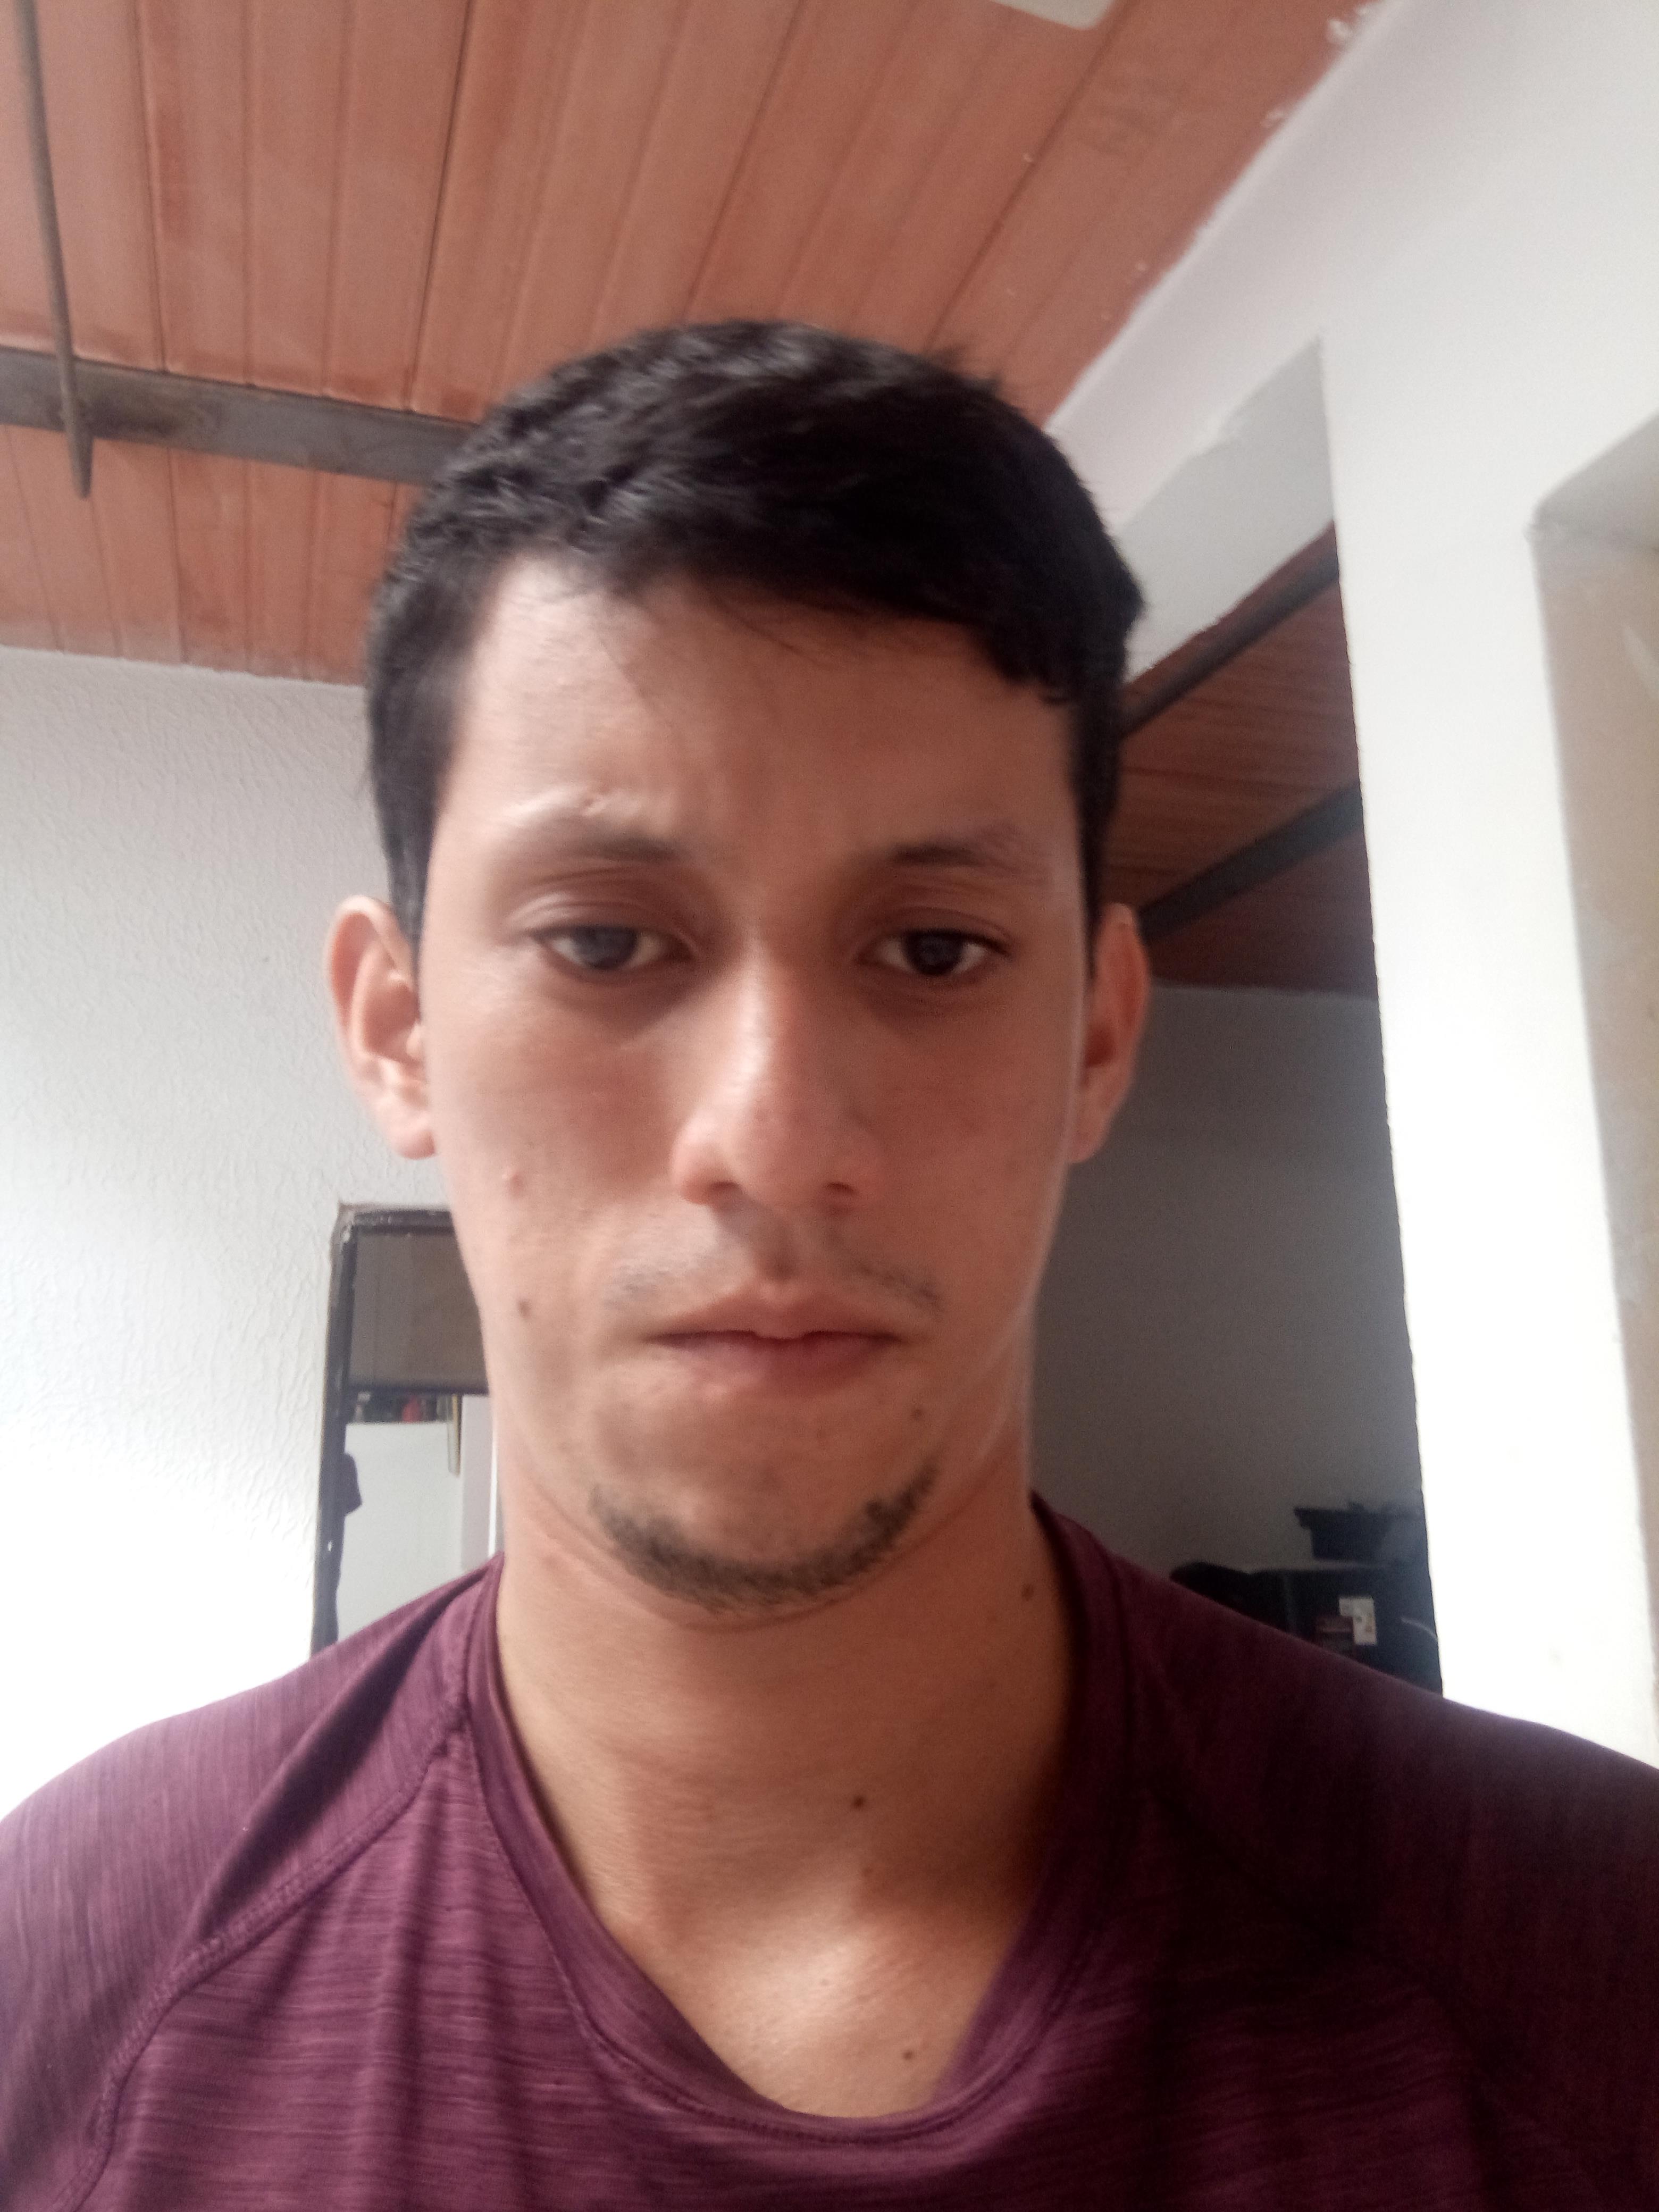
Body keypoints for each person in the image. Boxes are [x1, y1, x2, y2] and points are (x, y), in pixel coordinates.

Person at [4, 321, 1657, 2211]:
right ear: (397, 1031)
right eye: (605, 943)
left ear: (1097, 1036)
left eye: (935, 949)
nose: (776, 1136)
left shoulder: (1593, 1968)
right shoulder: (66, 1988)